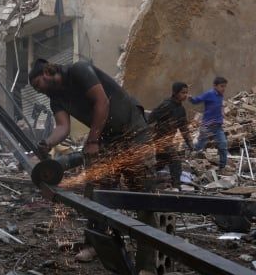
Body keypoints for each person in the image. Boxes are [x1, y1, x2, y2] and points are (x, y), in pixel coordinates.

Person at [29, 58, 153, 187]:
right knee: (100, 180)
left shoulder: (78, 70)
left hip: (132, 126)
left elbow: (102, 102)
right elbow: (62, 127)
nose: (39, 90)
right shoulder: (55, 99)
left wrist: (92, 141)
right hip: (107, 136)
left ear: (47, 73)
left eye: (38, 84)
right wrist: (48, 143)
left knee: (140, 178)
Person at [148, 82, 192, 187]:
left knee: (160, 163)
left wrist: (190, 143)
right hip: (159, 140)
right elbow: (151, 118)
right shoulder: (166, 105)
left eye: (186, 93)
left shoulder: (181, 110)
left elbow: (183, 128)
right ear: (174, 93)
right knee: (175, 161)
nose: (185, 95)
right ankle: (176, 186)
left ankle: (148, 181)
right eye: (183, 92)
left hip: (167, 141)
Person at [189, 76, 228, 170]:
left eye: (225, 86)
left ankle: (222, 166)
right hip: (207, 126)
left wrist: (222, 113)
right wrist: (190, 98)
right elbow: (196, 100)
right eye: (222, 86)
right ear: (215, 86)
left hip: (217, 127)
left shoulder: (220, 95)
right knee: (199, 146)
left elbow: (219, 105)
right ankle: (187, 154)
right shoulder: (209, 94)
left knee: (223, 145)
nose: (224, 88)